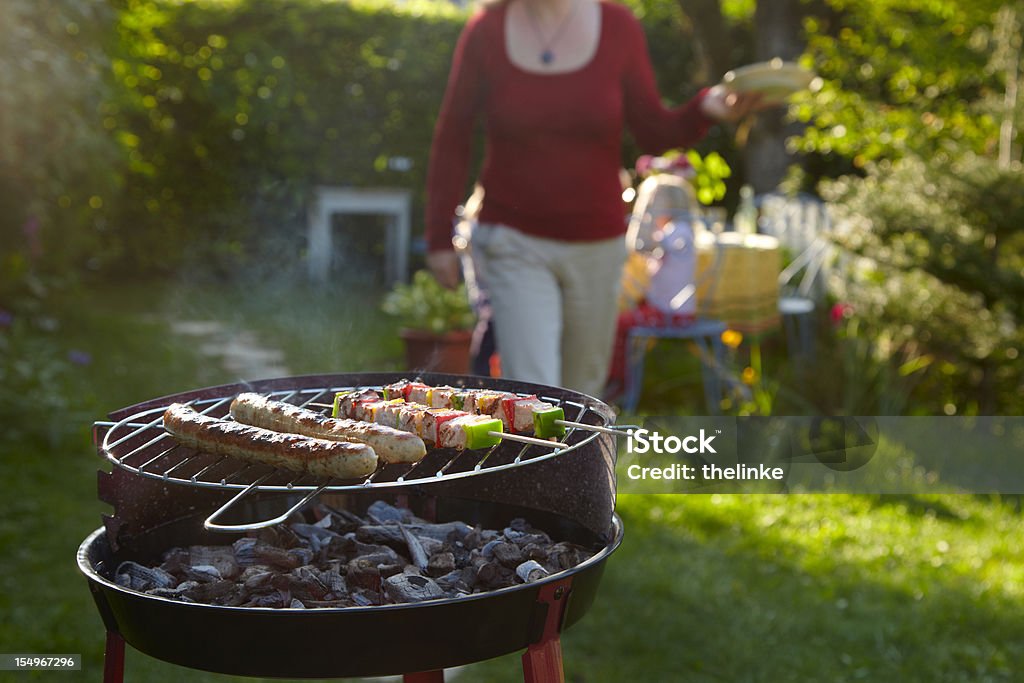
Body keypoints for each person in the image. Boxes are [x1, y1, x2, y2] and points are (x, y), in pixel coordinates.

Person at [424, 0, 762, 397]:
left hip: (597, 248)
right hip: (513, 241)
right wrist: (438, 240)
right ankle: (536, 460)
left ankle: (579, 461)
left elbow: (653, 130)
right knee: (532, 392)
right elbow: (453, 140)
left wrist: (704, 108)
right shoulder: (486, 31)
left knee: (583, 392)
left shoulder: (618, 26)